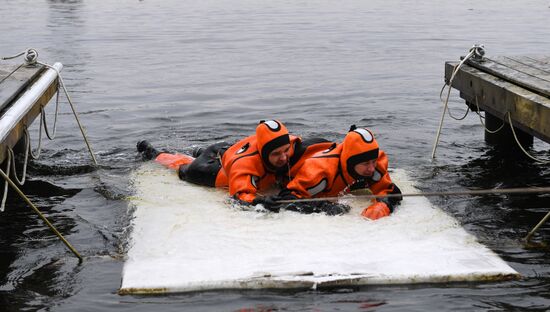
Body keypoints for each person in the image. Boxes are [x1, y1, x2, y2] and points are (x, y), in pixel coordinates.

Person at [137, 120, 333, 207]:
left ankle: (199, 151)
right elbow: (240, 197)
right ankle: (154, 153)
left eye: (285, 152)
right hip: (213, 168)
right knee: (186, 169)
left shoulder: (290, 144)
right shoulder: (246, 167)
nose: (283, 158)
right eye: (276, 154)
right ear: (264, 154)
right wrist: (260, 201)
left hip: (229, 149)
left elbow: (325, 149)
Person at [275, 125, 402, 220]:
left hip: (330, 148)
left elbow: (391, 191)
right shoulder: (320, 171)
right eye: (365, 164)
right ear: (351, 163)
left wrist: (383, 206)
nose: (371, 168)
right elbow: (288, 198)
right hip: (304, 154)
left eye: (373, 161)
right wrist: (324, 207)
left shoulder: (375, 164)